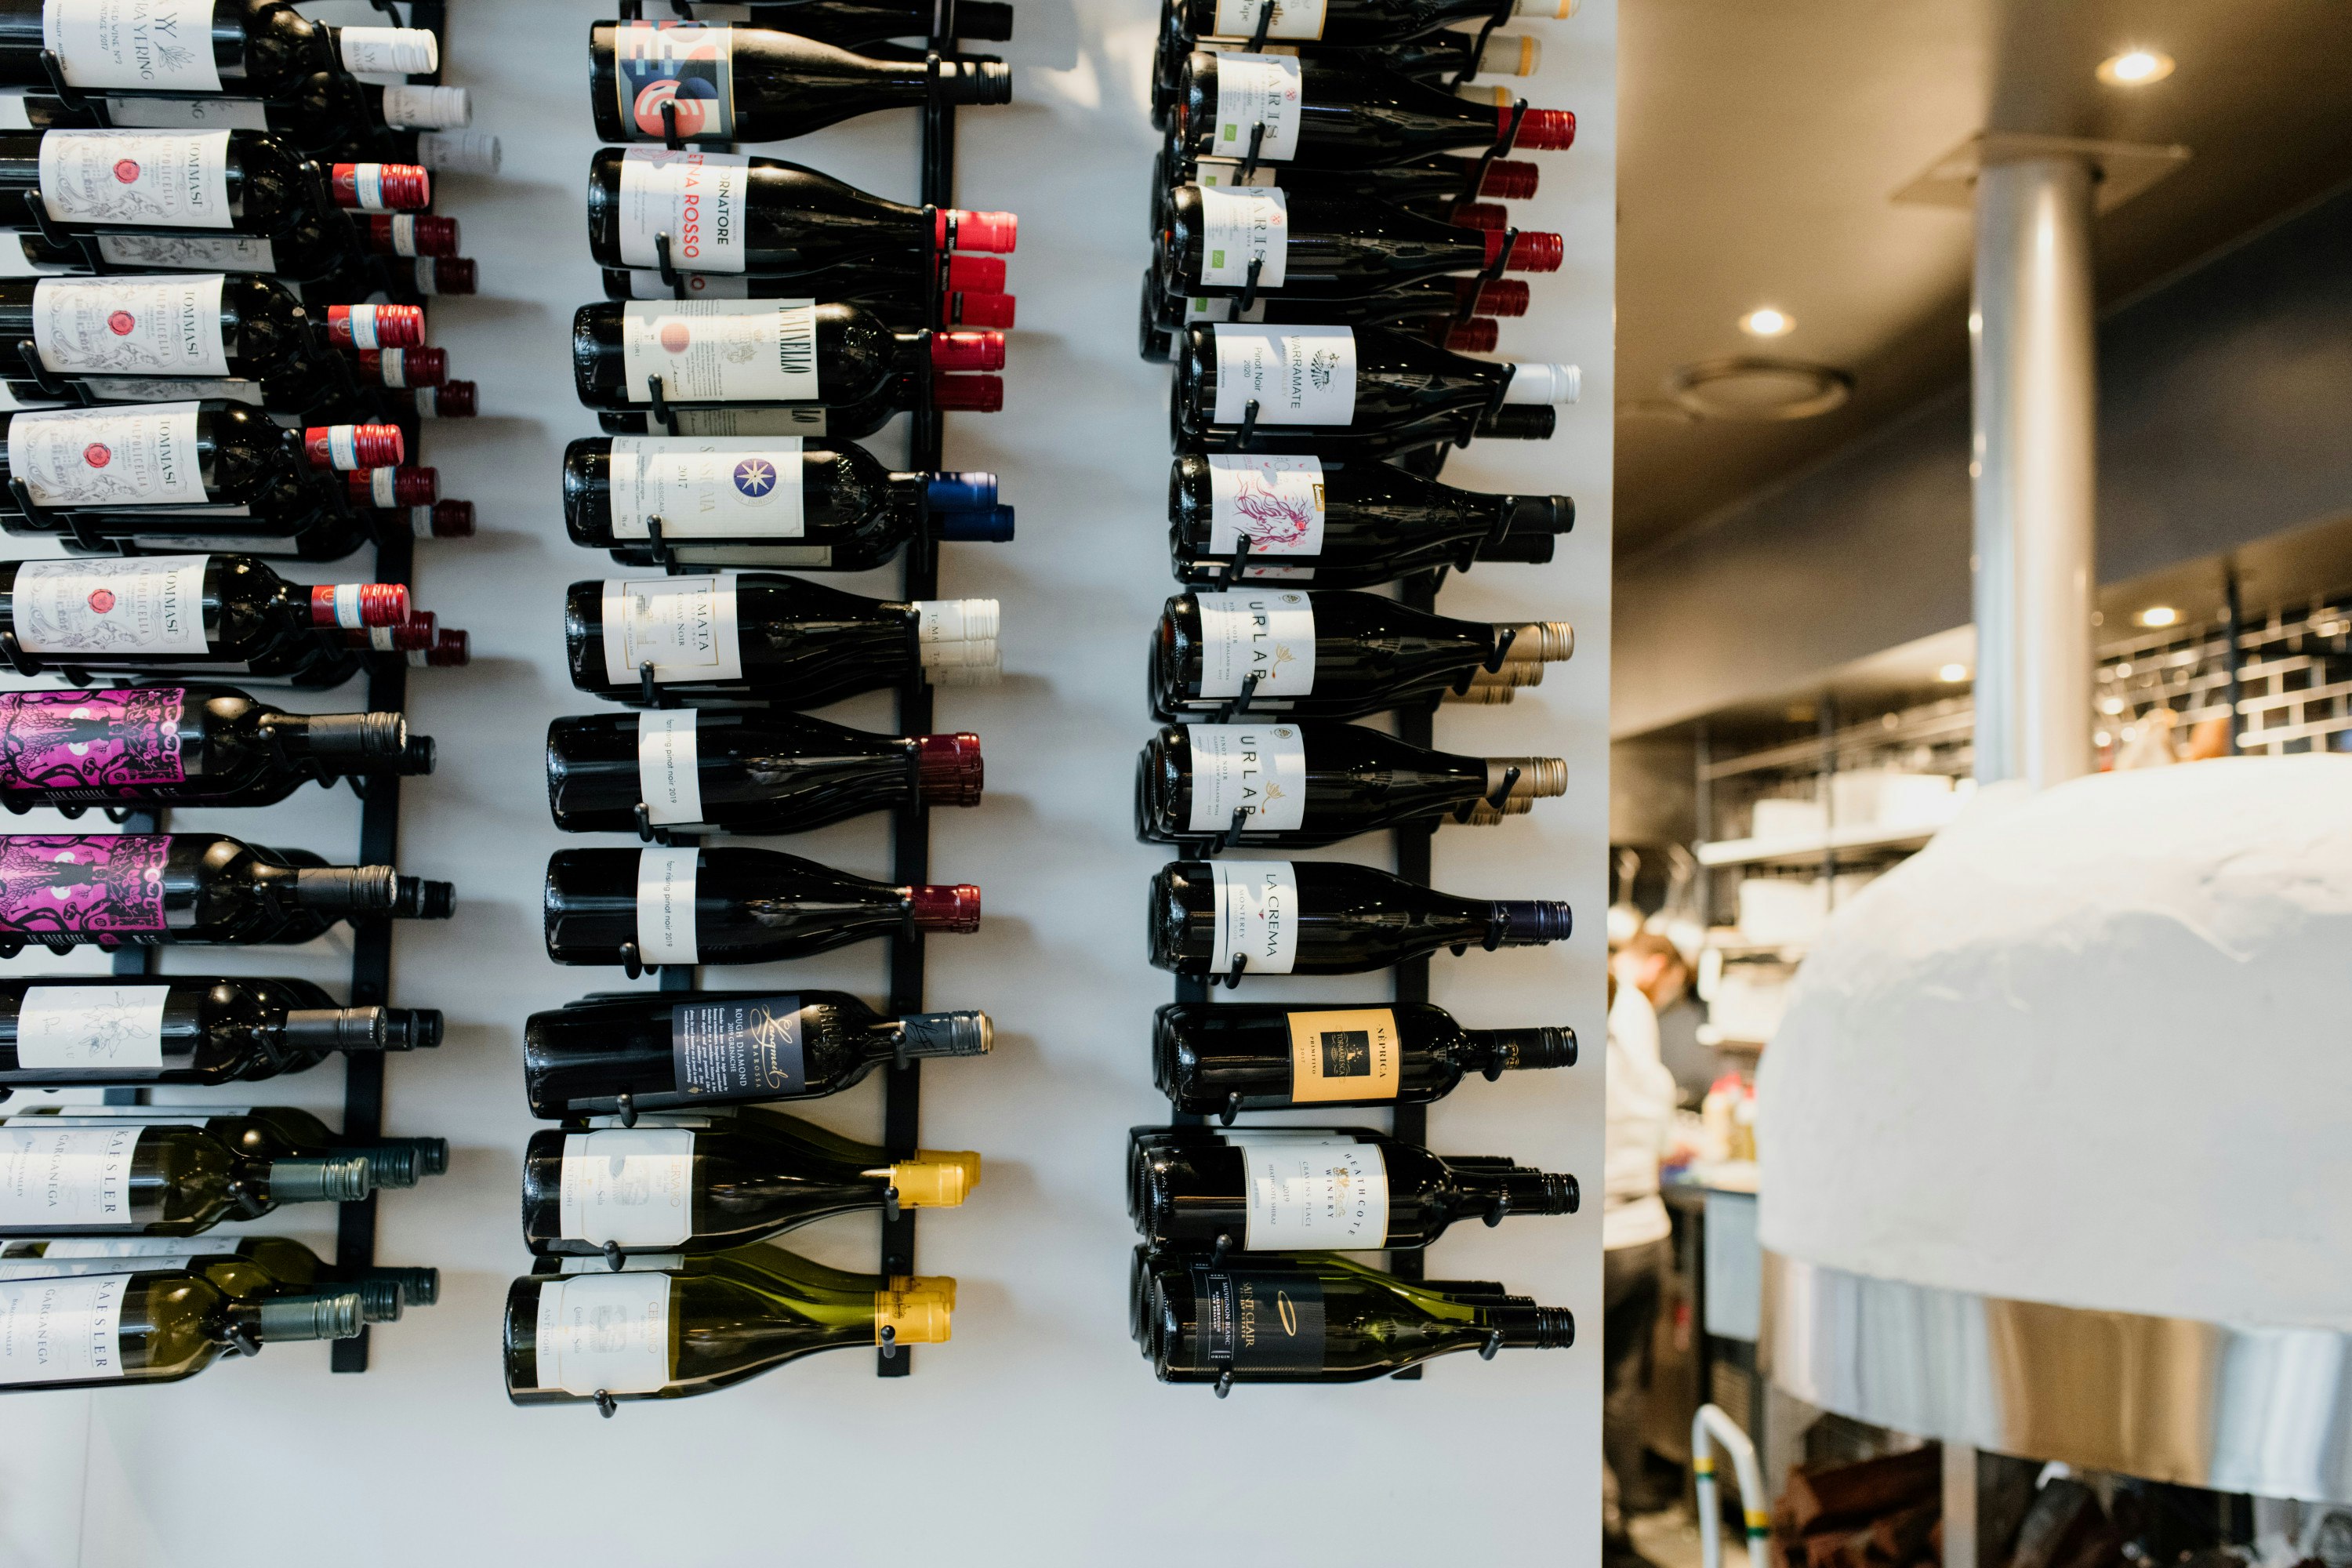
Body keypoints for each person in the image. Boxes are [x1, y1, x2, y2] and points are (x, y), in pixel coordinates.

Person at [1602, 931, 1689, 1565]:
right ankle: (1624, 1514)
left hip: (1603, 1233)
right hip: (1646, 1228)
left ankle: (1602, 1524)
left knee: (1581, 1380)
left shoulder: (1611, 1000)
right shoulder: (1635, 1009)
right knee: (1624, 1383)